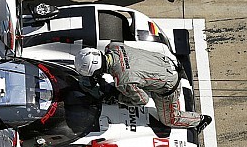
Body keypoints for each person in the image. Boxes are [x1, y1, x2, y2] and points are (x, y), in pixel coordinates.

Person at [74, 43, 212, 133]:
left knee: (169, 120)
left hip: (169, 84)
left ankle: (200, 120)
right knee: (136, 82)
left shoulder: (123, 81)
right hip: (165, 63)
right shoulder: (113, 47)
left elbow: (142, 100)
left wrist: (118, 98)